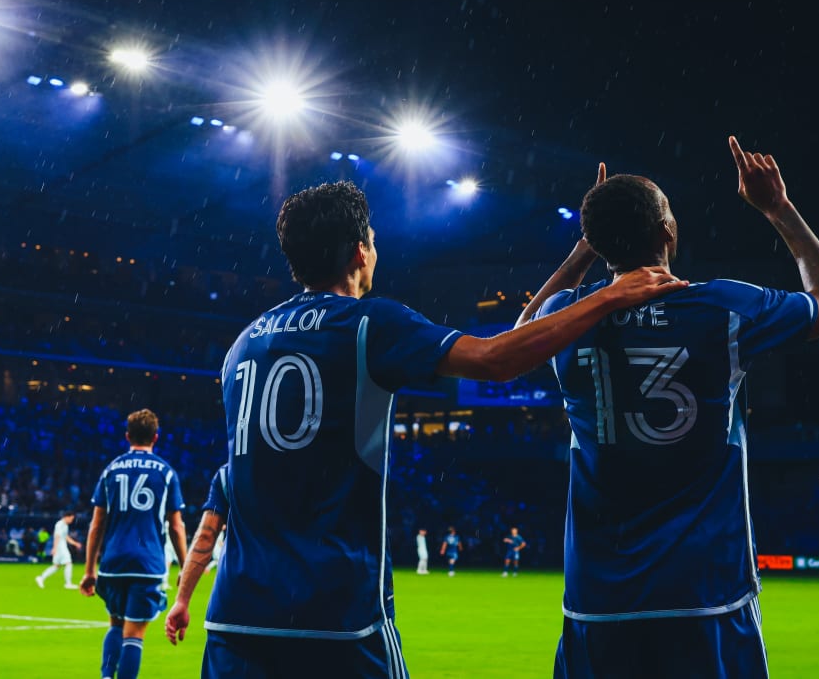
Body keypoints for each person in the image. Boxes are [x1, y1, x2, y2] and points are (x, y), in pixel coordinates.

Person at [162, 180, 685, 678]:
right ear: (360, 254)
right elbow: (497, 360)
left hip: (236, 618)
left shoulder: (242, 345)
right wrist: (608, 296)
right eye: (372, 241)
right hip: (334, 614)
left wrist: (582, 254)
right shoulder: (369, 324)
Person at [519, 138, 819, 679]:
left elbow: (521, 333)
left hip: (599, 599)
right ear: (667, 233)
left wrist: (587, 248)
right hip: (707, 594)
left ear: (600, 242)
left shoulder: (568, 318)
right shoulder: (722, 307)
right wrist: (779, 208)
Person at [80, 409, 188, 679]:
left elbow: (96, 525)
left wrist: (89, 570)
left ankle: (106, 676)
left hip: (113, 563)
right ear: (156, 437)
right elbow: (176, 526)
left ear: (127, 436)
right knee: (134, 634)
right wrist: (186, 568)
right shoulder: (165, 473)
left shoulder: (110, 471)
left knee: (115, 625)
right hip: (147, 563)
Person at [35, 511, 82, 589]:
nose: (72, 521)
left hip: (61, 546)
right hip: (60, 547)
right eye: (71, 518)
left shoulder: (65, 525)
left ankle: (41, 578)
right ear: (67, 517)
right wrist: (55, 548)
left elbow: (66, 537)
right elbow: (57, 536)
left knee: (56, 566)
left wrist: (75, 543)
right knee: (68, 563)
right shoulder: (59, 525)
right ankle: (68, 584)